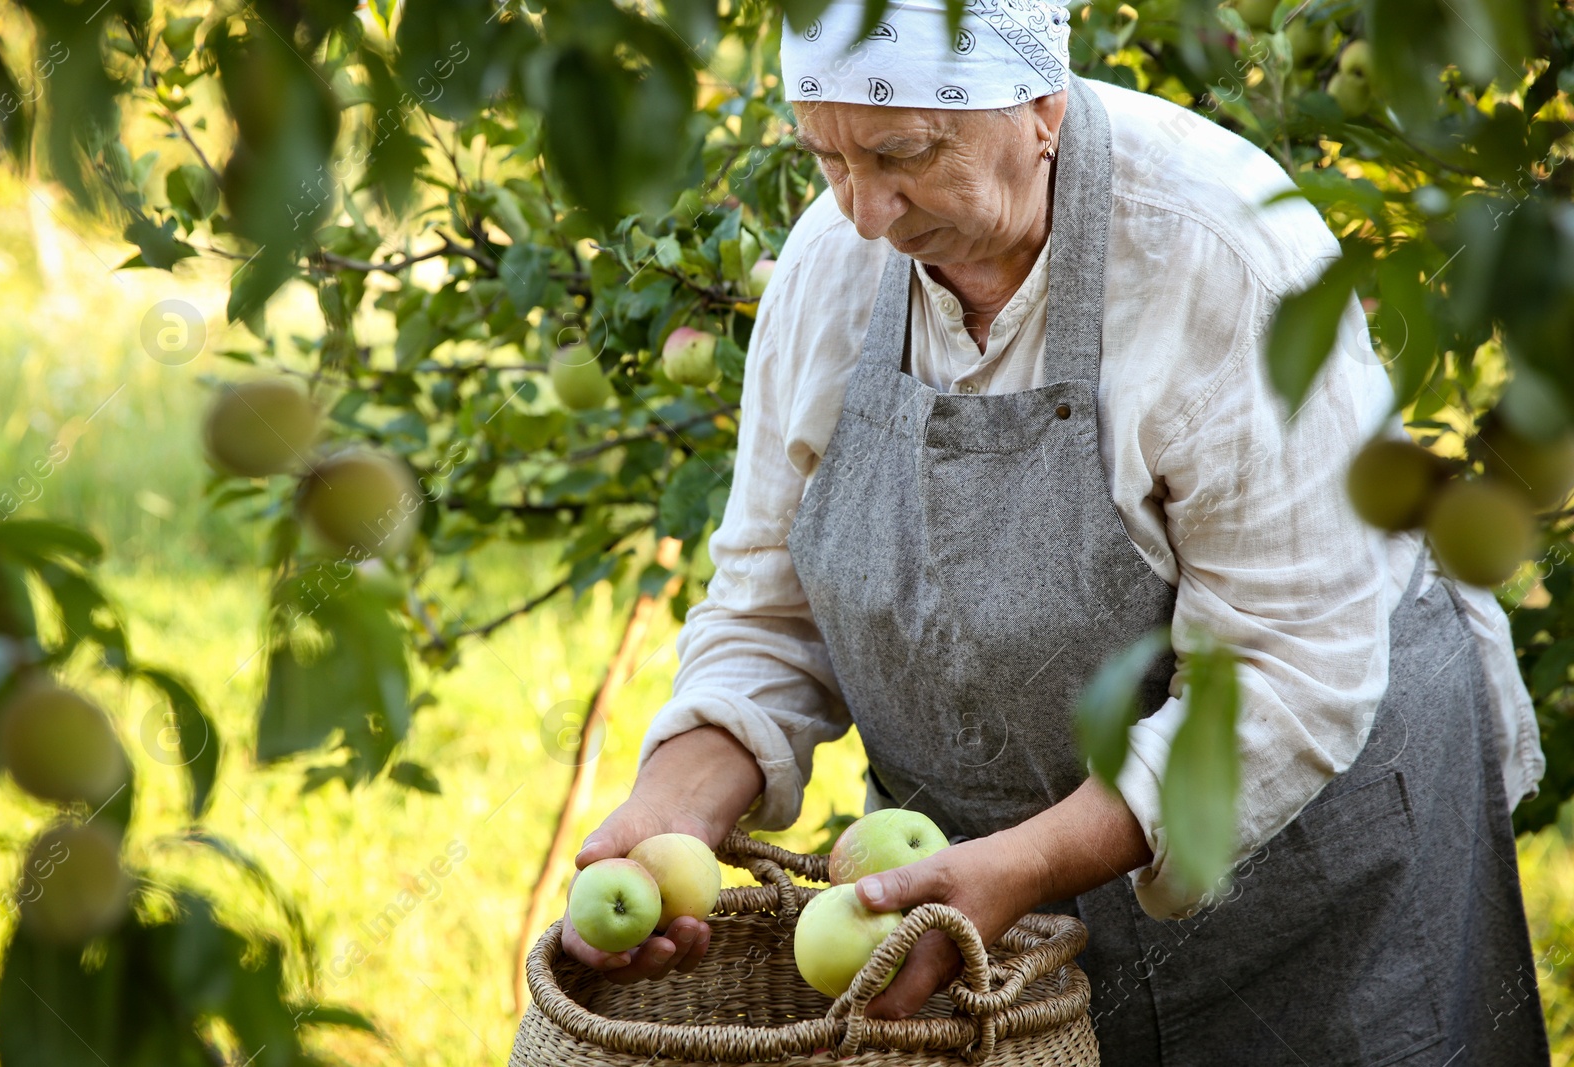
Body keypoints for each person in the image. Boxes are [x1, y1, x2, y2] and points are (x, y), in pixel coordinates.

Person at [562, 1, 1551, 1061]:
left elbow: (1288, 667)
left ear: (1040, 105)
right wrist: (665, 811)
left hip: (1311, 877)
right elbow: (768, 611)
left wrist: (1022, 863)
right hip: (984, 912)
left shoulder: (1217, 256)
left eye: (901, 153)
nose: (864, 213)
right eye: (826, 158)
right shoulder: (832, 273)